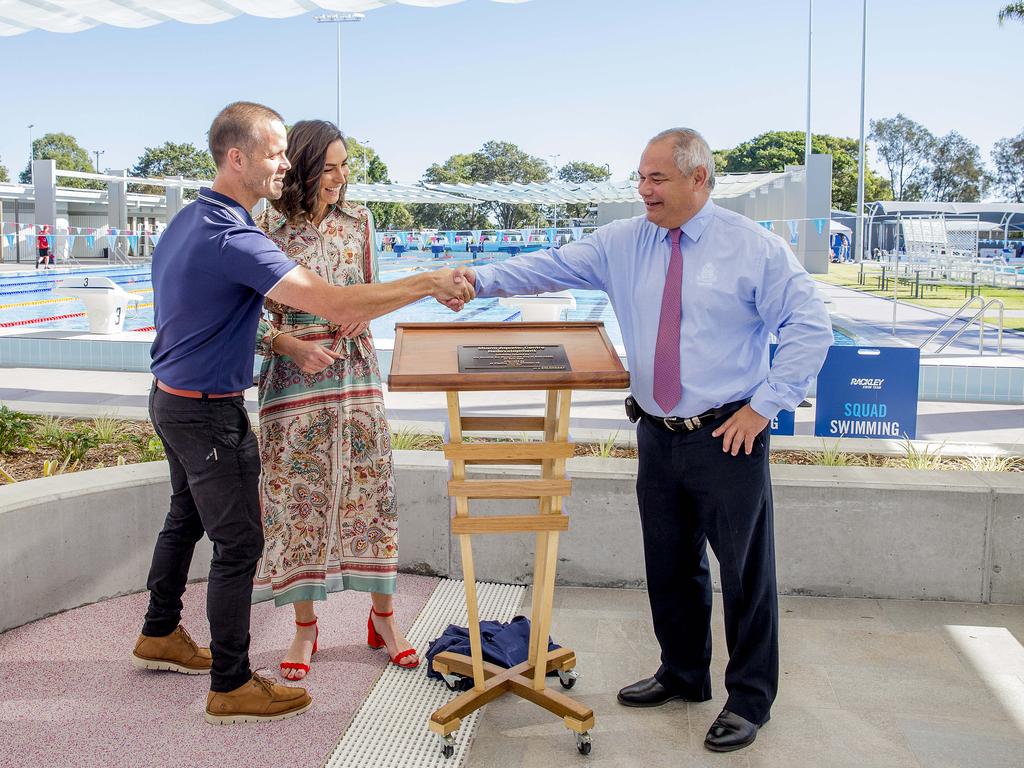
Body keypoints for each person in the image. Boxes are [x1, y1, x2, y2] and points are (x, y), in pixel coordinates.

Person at [459, 128, 832, 753]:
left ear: (699, 179)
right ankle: (683, 674)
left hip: (728, 437)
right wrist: (474, 278)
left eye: (656, 178)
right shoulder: (622, 242)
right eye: (641, 176)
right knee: (669, 565)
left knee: (744, 575)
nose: (643, 189)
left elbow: (809, 324)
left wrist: (765, 407)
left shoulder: (753, 249)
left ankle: (749, 700)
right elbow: (546, 267)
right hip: (658, 435)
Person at [132, 102, 473, 726]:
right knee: (240, 544)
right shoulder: (239, 234)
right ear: (238, 159)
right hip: (208, 410)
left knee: (184, 518)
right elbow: (326, 298)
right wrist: (426, 283)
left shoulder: (190, 219)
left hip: (174, 397)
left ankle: (158, 630)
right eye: (274, 153)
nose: (284, 164)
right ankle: (232, 682)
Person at [250, 120, 419, 681]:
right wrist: (287, 343)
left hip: (355, 376)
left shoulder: (360, 221)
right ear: (299, 167)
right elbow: (243, 313)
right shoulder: (264, 223)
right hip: (292, 380)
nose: (340, 178)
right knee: (296, 496)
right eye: (328, 167)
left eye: (345, 165)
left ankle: (384, 618)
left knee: (370, 489)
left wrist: (359, 314)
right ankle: (305, 627)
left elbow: (370, 291)